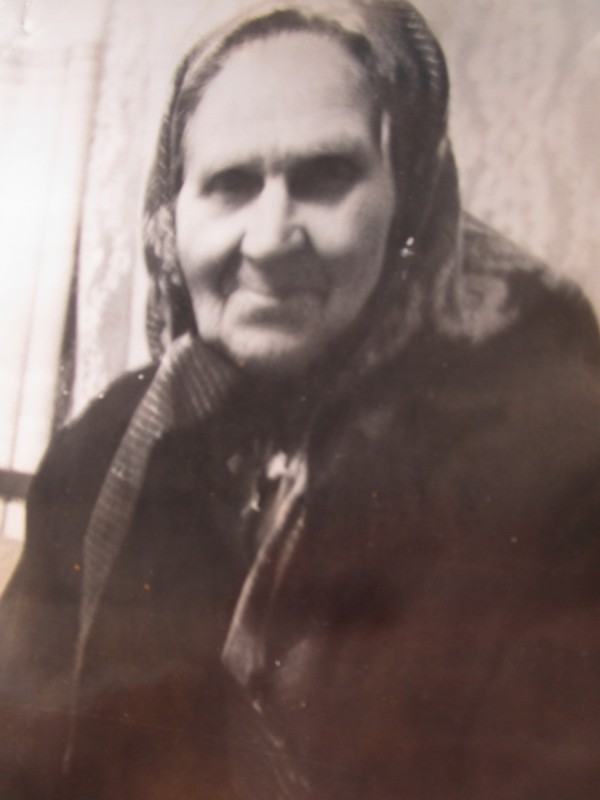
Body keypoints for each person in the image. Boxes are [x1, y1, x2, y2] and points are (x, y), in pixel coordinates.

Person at [2, 1, 600, 798]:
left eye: (325, 178)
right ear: (171, 216)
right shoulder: (108, 446)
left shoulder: (551, 474)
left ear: (408, 198)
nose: (270, 239)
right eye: (230, 184)